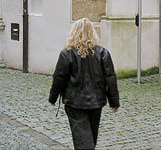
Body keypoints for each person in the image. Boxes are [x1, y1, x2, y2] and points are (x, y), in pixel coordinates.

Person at [49, 18, 120, 150]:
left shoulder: (67, 53)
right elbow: (110, 78)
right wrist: (114, 102)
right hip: (95, 102)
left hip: (75, 102)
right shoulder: (102, 53)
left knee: (83, 140)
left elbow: (59, 78)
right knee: (90, 137)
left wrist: (53, 98)